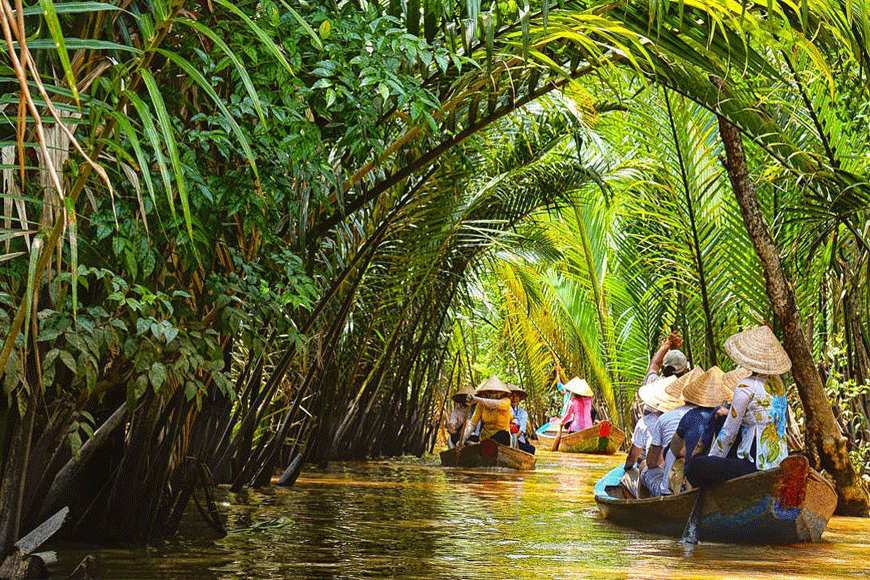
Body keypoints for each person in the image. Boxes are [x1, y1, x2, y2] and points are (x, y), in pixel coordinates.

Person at [688, 326, 791, 487]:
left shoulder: (746, 386)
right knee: (722, 420)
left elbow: (729, 432)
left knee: (695, 466)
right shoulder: (778, 384)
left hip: (756, 465)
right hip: (778, 460)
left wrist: (713, 460)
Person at [666, 366, 737, 492]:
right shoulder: (731, 414)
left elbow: (675, 449)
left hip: (697, 480)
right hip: (724, 476)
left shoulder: (690, 416)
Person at [639, 367, 703, 497]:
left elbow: (652, 463)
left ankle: (641, 506)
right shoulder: (714, 415)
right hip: (700, 486)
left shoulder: (665, 418)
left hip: (670, 491)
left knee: (644, 467)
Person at [620, 373, 682, 497]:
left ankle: (641, 504)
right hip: (682, 479)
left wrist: (626, 469)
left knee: (642, 467)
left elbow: (635, 458)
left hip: (666, 483)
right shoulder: (686, 416)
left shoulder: (648, 421)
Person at [461, 376, 514, 447]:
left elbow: (495, 404)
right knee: (457, 437)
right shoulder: (481, 405)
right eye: (490, 391)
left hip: (502, 440)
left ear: (502, 392)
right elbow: (472, 424)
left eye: (496, 391)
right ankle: (482, 445)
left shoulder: (506, 401)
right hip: (484, 439)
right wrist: (462, 439)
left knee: (503, 434)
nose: (493, 393)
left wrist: (476, 399)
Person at [507, 384, 536, 454]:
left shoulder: (523, 413)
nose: (514, 398)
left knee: (532, 449)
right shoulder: (503, 410)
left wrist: (513, 439)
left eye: (516, 396)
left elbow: (521, 431)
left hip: (518, 440)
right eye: (511, 396)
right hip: (505, 438)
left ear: (519, 398)